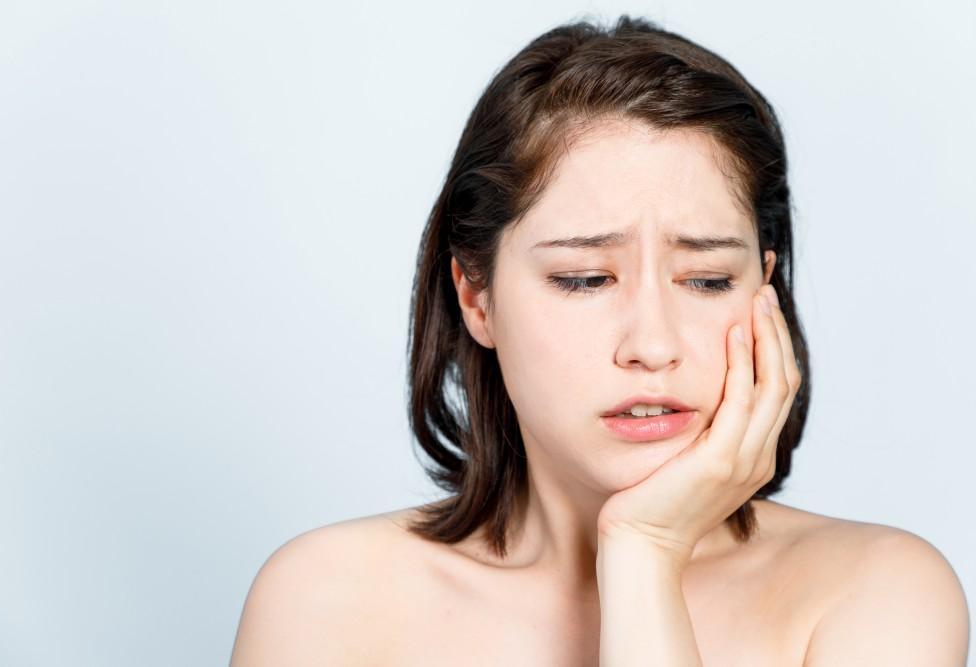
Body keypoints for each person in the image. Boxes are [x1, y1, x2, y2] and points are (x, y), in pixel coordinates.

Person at [230, 14, 969, 665]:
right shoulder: (328, 600)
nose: (652, 344)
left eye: (707, 279)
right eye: (584, 279)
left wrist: (644, 552)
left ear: (764, 289)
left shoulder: (875, 593)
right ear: (476, 297)